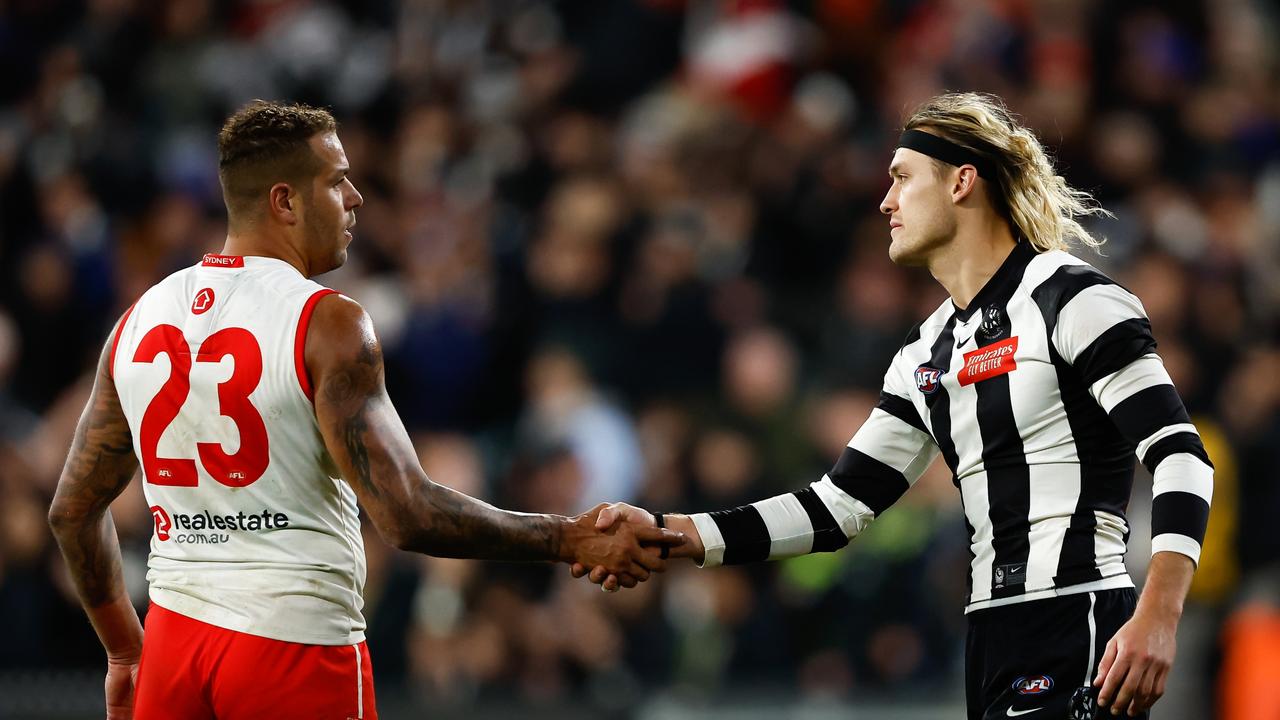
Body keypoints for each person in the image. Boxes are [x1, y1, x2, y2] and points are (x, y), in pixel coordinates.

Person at [578, 92, 1213, 720]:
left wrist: (1158, 615)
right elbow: (837, 508)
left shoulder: (1073, 298)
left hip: (1081, 615)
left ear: (962, 182)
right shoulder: (926, 353)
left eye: (903, 179)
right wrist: (673, 532)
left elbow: (1182, 456)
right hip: (988, 638)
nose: (886, 201)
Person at [46, 100, 684, 720]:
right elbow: (407, 515)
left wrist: (127, 651)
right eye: (337, 181)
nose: (355, 199)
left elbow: (72, 513)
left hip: (174, 651)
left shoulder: (139, 318)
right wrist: (570, 535)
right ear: (285, 201)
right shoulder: (328, 322)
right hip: (291, 645)